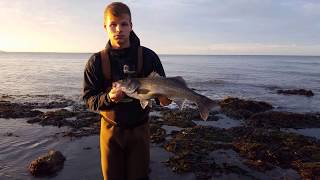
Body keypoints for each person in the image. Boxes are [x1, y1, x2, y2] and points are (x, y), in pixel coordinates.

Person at [82, 2, 171, 180]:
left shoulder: (148, 57)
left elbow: (164, 97)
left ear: (131, 26)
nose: (118, 29)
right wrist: (108, 98)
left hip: (140, 129)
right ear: (105, 27)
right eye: (113, 25)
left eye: (124, 24)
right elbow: (89, 99)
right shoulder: (96, 61)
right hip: (110, 131)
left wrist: (164, 99)